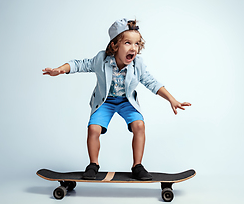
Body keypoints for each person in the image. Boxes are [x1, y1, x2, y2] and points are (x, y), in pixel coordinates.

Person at [42, 18, 191, 180]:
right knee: (93, 129)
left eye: (137, 44)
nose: (133, 48)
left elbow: (151, 82)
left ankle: (137, 166)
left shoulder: (138, 64)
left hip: (127, 102)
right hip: (105, 102)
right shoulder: (101, 59)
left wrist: (172, 99)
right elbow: (80, 64)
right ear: (114, 45)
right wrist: (60, 70)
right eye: (128, 43)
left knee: (139, 126)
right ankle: (93, 165)